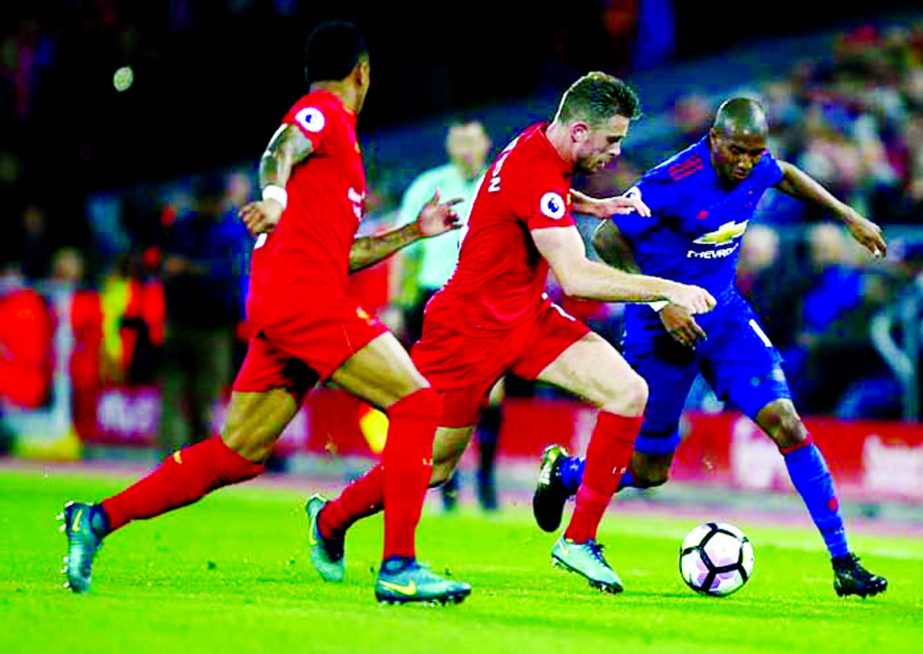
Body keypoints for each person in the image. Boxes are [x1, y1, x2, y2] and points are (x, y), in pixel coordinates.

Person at [60, 20, 471, 606]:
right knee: (419, 403)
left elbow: (342, 254)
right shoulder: (322, 113)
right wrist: (274, 197)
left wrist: (413, 232)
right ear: (363, 72)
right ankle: (397, 563)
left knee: (237, 455)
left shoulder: (342, 153)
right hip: (304, 301)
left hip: (289, 301)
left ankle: (94, 520)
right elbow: (280, 149)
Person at [305, 71, 716, 595]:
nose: (616, 152)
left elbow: (541, 198)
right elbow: (577, 277)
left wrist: (592, 206)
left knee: (628, 391)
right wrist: (668, 289)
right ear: (578, 131)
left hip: (526, 317)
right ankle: (331, 519)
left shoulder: (537, 141)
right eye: (611, 140)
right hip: (466, 330)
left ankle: (579, 540)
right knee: (433, 468)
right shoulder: (536, 168)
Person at [531, 97, 889, 598]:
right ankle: (566, 474)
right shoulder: (674, 180)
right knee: (649, 470)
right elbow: (610, 236)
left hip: (725, 318)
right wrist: (660, 301)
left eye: (754, 152)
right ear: (715, 140)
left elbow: (783, 173)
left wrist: (848, 215)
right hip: (662, 328)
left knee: (787, 423)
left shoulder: (757, 164)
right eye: (738, 151)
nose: (747, 163)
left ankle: (845, 563)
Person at [397, 117, 501, 511]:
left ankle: (486, 480)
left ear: (485, 142)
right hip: (431, 297)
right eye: (459, 141)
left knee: (492, 392)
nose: (465, 149)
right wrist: (394, 304)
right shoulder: (427, 186)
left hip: (485, 299)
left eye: (472, 140)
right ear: (449, 144)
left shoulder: (498, 180)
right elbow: (406, 252)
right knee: (437, 393)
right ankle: (448, 482)